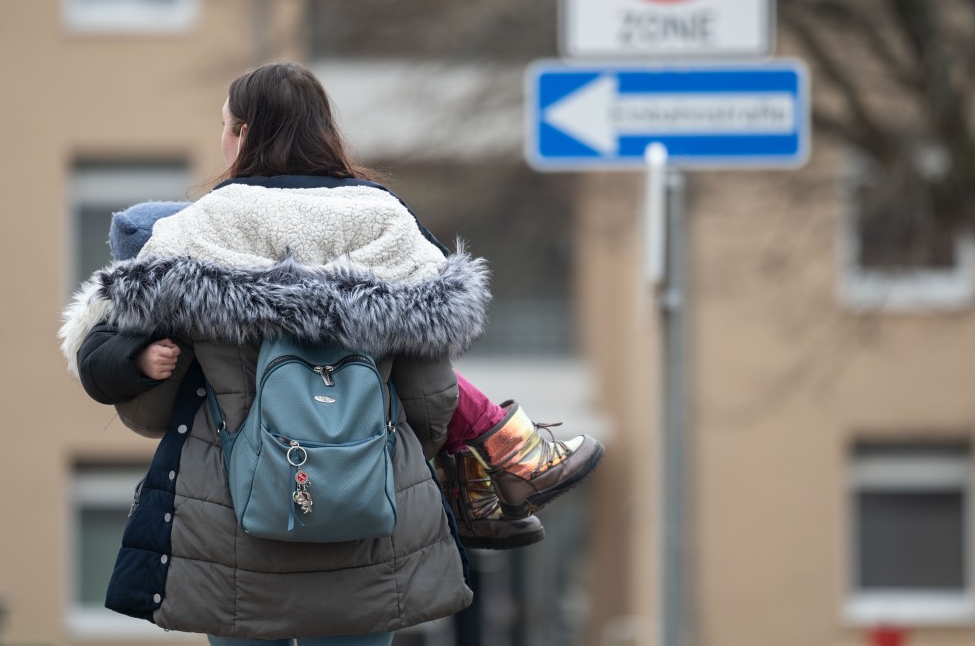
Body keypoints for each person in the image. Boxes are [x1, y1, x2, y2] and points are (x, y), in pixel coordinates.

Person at [58, 60, 595, 643]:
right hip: (365, 530)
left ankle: (510, 451)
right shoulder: (384, 222)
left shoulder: (196, 231)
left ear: (242, 134)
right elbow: (431, 397)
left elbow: (122, 383)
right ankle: (509, 452)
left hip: (234, 531)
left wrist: (141, 365)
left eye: (224, 126)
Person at [94, 199, 602, 550]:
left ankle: (489, 475)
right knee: (385, 354)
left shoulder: (195, 269)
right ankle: (492, 471)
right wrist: (137, 360)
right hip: (271, 493)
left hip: (223, 509)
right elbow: (97, 356)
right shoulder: (176, 270)